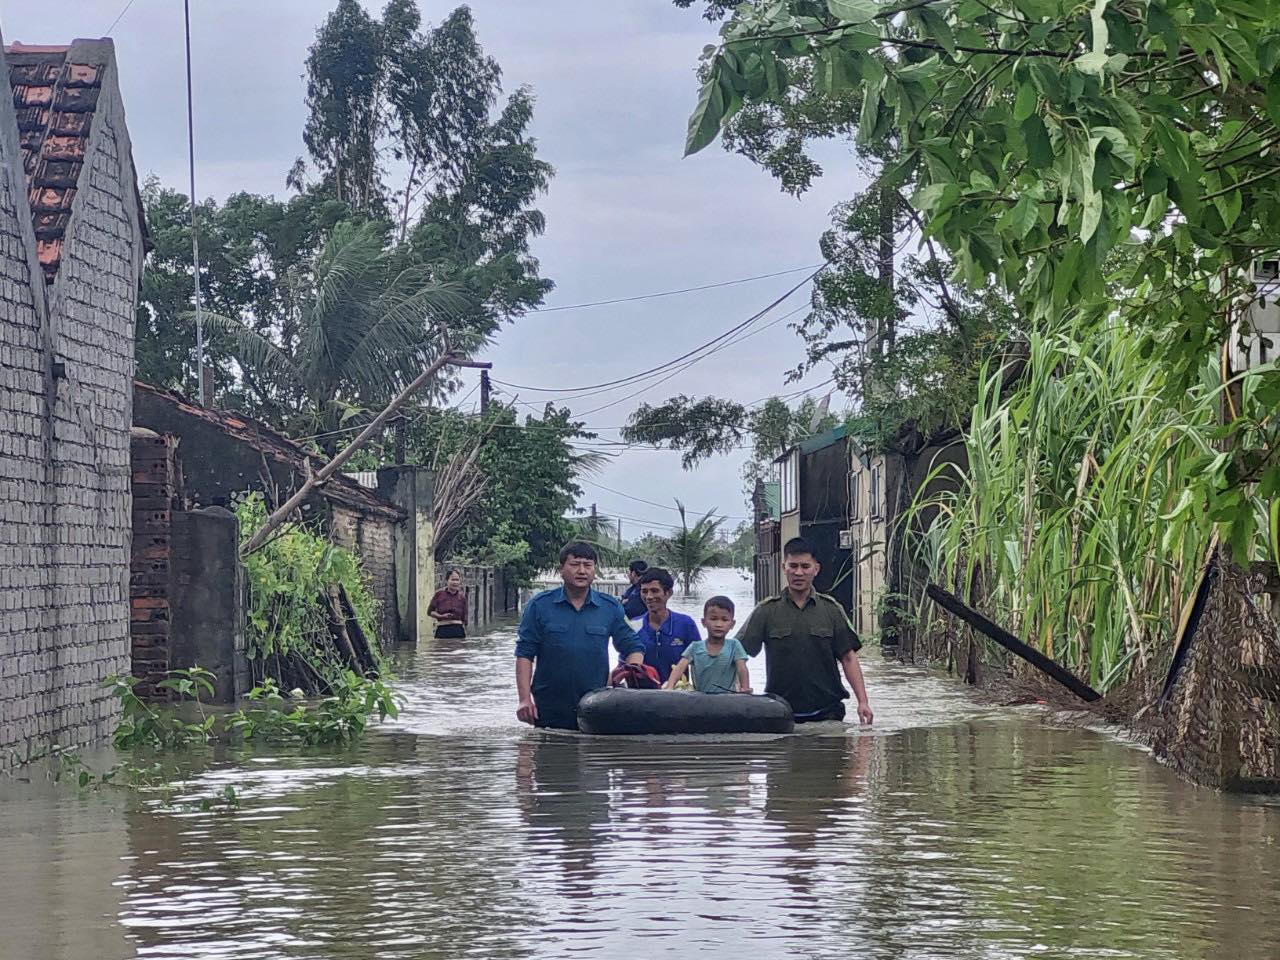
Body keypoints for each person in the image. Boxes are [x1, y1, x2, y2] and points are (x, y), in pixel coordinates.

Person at [737, 537, 874, 724]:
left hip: (828, 713)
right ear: (783, 567)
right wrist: (740, 688)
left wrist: (863, 702)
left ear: (816, 569)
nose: (798, 573)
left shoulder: (831, 609)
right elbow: (737, 653)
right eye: (793, 566)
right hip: (781, 714)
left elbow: (848, 658)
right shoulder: (766, 611)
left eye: (805, 566)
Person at [515, 541, 645, 730]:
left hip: (596, 705)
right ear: (561, 569)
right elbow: (524, 654)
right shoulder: (539, 606)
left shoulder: (610, 607)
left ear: (594, 570)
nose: (582, 571)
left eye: (588, 565)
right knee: (547, 756)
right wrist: (524, 699)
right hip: (549, 706)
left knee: (592, 758)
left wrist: (630, 671)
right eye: (575, 565)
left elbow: (633, 646)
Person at [663, 595, 750, 694]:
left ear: (732, 624)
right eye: (713, 619)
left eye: (724, 620)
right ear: (704, 622)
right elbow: (679, 668)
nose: (718, 624)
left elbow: (742, 668)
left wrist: (745, 688)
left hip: (727, 700)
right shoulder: (695, 647)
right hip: (701, 699)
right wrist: (670, 687)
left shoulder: (734, 645)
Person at [635, 567, 702, 684]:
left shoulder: (686, 624)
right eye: (644, 591)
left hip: (676, 697)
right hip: (642, 697)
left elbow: (701, 662)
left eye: (655, 591)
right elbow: (623, 666)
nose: (649, 597)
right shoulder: (633, 626)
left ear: (669, 593)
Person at [427, 569, 468, 639]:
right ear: (447, 580)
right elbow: (430, 612)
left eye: (457, 580)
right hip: (442, 630)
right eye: (452, 580)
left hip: (458, 631)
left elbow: (465, 618)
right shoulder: (439, 595)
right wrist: (441, 616)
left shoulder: (462, 597)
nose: (455, 582)